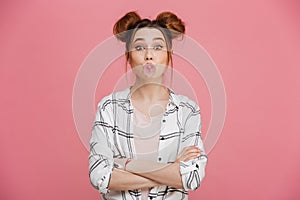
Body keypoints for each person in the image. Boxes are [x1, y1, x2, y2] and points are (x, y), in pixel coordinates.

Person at [88, 11, 208, 200]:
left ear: (169, 55)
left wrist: (125, 165)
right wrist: (170, 171)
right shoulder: (109, 108)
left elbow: (191, 177)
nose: (149, 55)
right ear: (128, 56)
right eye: (140, 47)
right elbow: (100, 176)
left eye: (158, 47)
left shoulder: (187, 110)